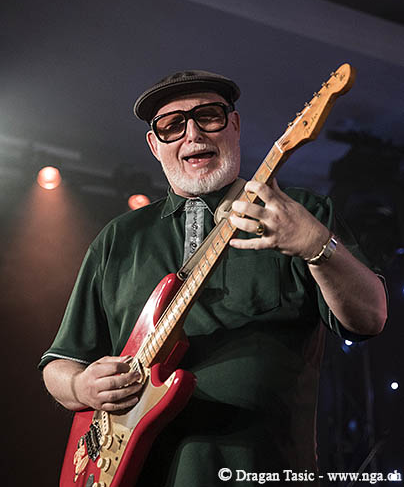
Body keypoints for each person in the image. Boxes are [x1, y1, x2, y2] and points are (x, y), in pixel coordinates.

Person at [40, 70, 387, 486]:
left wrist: (316, 244)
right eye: (171, 126)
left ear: (234, 125)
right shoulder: (119, 238)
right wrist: (81, 386)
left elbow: (371, 316)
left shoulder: (298, 213)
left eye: (208, 116)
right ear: (154, 145)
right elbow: (59, 364)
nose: (193, 134)